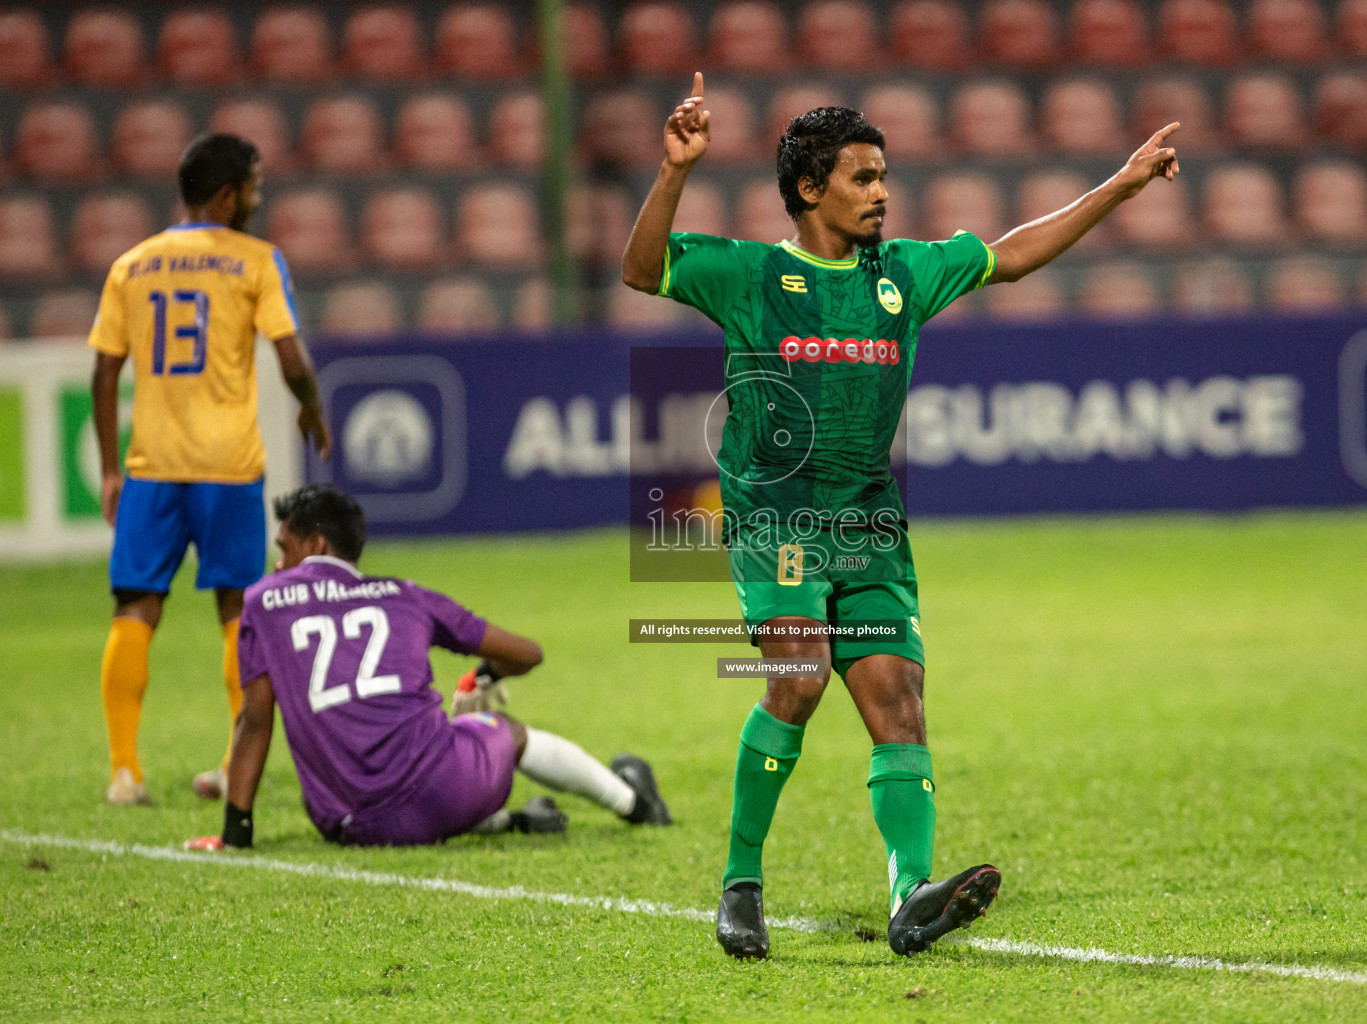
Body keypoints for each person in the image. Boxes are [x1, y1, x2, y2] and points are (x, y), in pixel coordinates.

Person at [620, 73, 1180, 958]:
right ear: (811, 189)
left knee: (899, 703)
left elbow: (1015, 252)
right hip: (779, 527)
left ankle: (910, 896)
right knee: (798, 681)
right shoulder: (750, 274)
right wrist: (674, 171)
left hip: (869, 527)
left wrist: (1119, 183)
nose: (883, 192)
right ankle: (741, 884)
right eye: (863, 177)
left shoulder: (904, 275)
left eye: (884, 176)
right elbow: (641, 270)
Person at [185, 484, 670, 852]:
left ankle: (509, 821)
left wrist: (237, 832)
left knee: (438, 754)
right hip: (443, 792)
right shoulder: (406, 595)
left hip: (348, 822)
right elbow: (528, 653)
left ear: (314, 545)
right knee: (502, 731)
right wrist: (489, 674)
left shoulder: (265, 600)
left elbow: (255, 719)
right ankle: (634, 804)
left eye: (283, 547)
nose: (277, 562)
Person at [90, 133, 332, 807]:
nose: (258, 197)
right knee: (237, 609)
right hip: (227, 467)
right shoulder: (255, 261)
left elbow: (105, 373)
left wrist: (112, 468)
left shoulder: (132, 265)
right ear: (228, 194)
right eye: (253, 186)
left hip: (152, 466)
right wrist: (311, 411)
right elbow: (291, 358)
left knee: (135, 606)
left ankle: (124, 772)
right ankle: (233, 764)